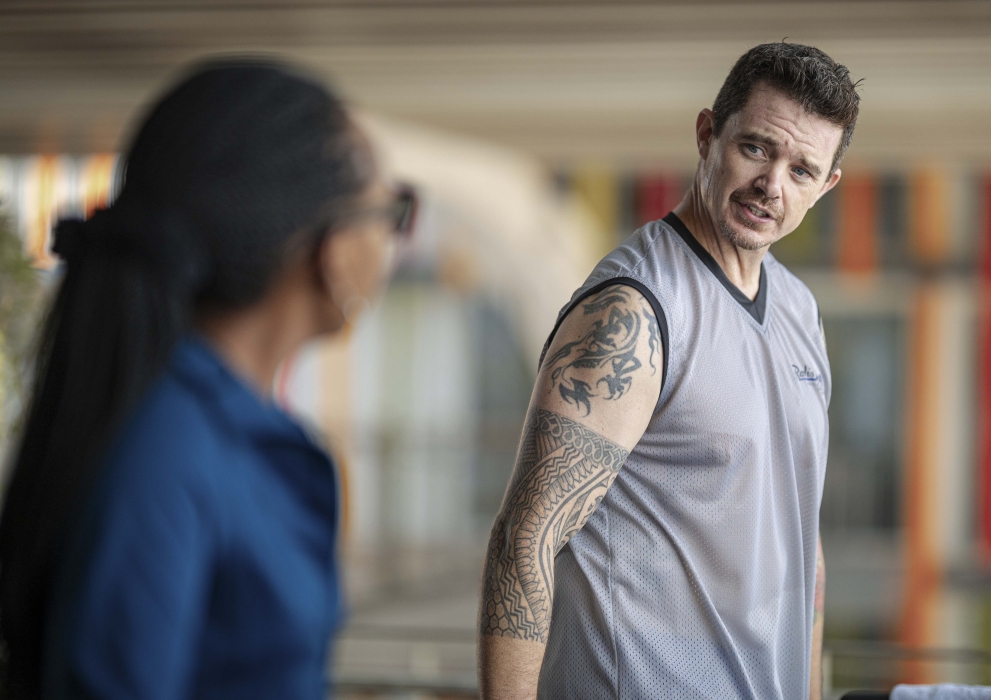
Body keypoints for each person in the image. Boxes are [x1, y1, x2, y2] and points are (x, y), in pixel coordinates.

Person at [0, 59, 411, 699]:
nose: (395, 242)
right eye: (394, 210)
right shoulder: (168, 451)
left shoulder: (207, 428)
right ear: (329, 249)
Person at [478, 42, 858, 699]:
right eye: (758, 148)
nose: (773, 186)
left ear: (826, 187)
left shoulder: (798, 309)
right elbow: (525, 542)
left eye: (802, 170)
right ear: (708, 134)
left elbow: (801, 544)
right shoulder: (634, 312)